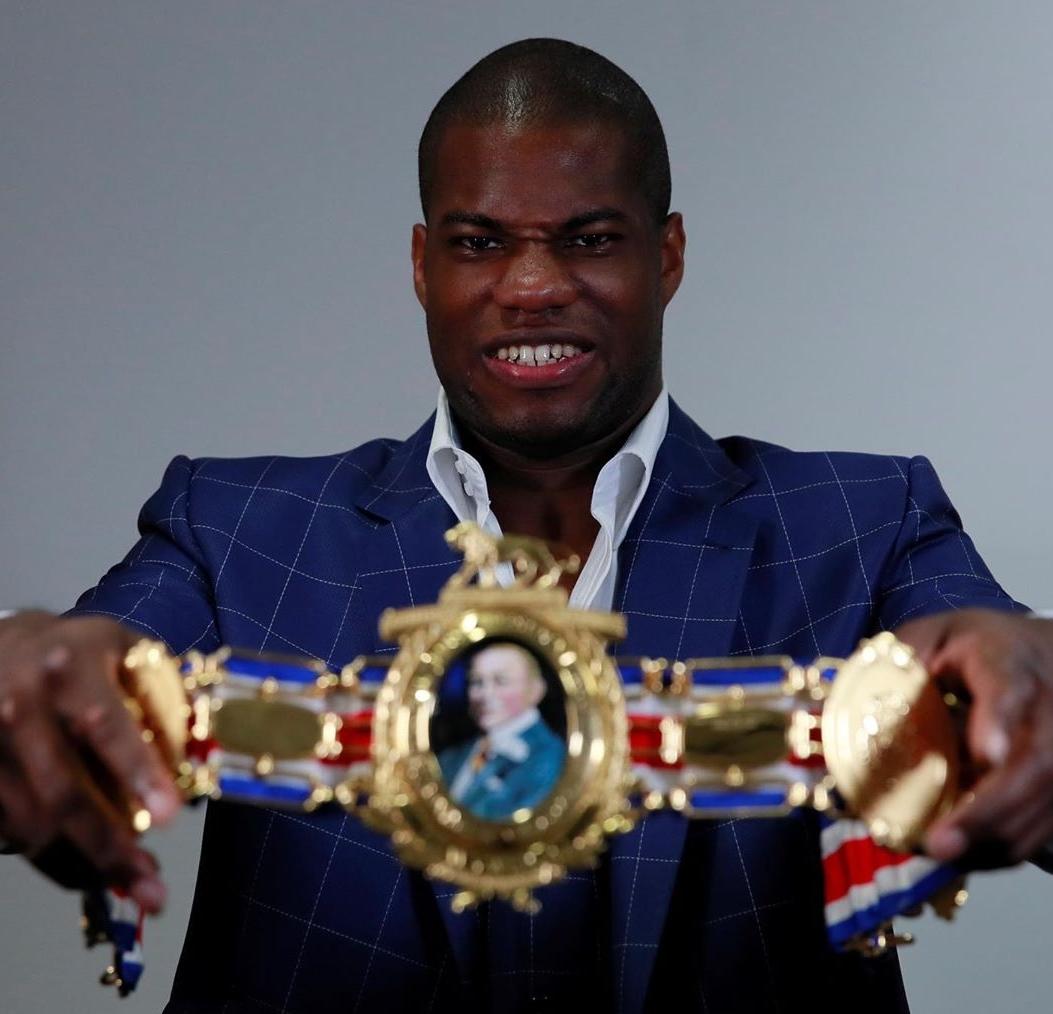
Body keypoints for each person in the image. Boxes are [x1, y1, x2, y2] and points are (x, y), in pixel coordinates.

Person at [2, 37, 1053, 1013]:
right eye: (480, 243)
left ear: (667, 256)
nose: (535, 285)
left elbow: (1007, 666)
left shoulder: (862, 527)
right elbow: (68, 683)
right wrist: (30, 681)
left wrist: (1028, 678)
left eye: (588, 240)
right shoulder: (236, 532)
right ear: (423, 266)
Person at [438, 642, 564, 821]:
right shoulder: (454, 755)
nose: (485, 694)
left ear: (536, 690)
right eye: (477, 682)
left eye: (501, 681)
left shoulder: (550, 758)